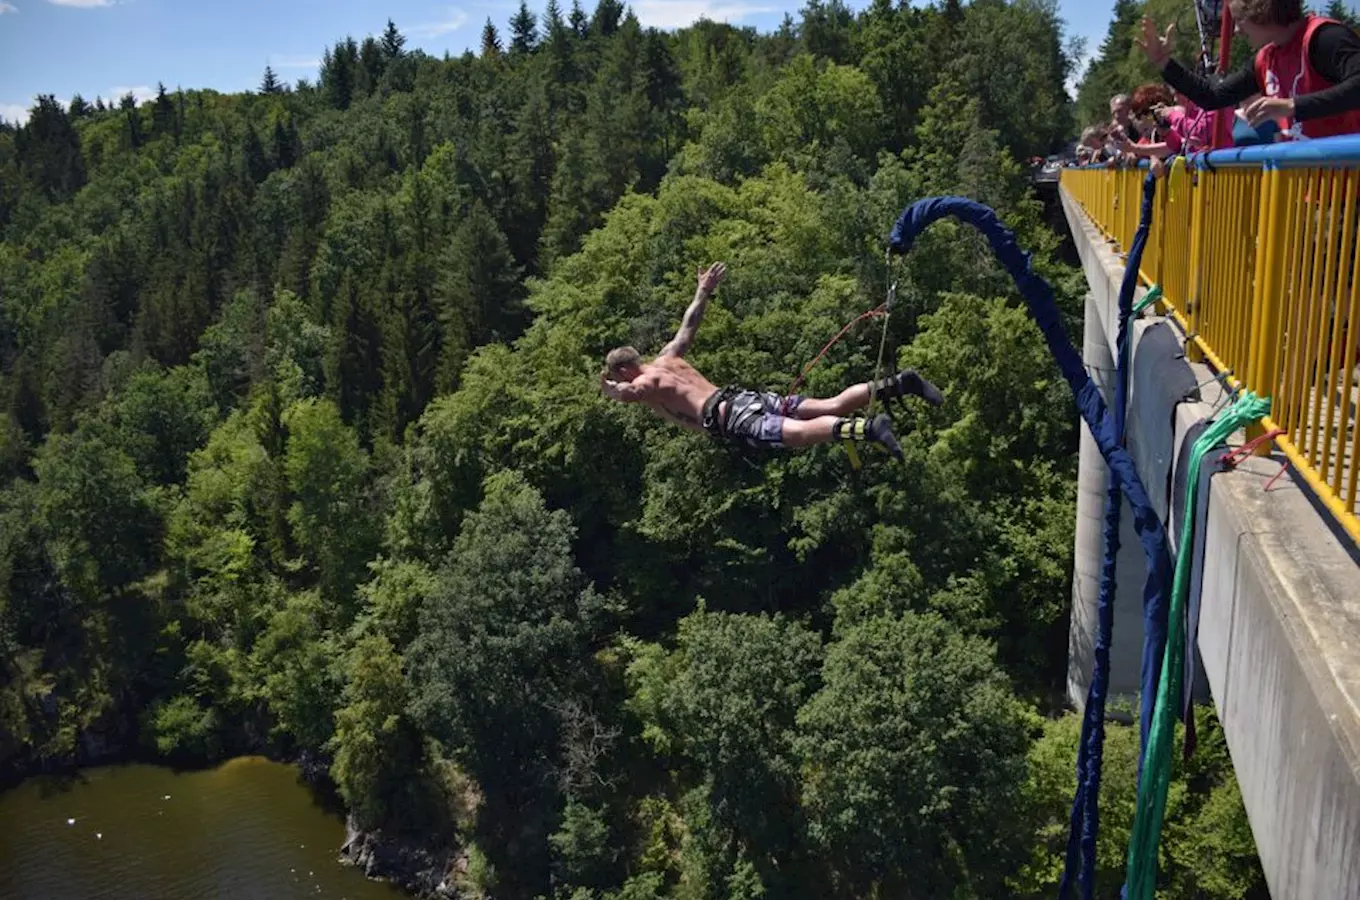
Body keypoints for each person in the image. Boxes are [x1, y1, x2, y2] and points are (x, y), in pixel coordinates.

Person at [599, 262, 944, 460]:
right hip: (746, 398)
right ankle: (899, 383)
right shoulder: (668, 356)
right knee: (832, 404)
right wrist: (702, 291)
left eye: (622, 376)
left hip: (731, 415)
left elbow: (632, 394)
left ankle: (869, 429)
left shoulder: (646, 382)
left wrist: (613, 391)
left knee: (800, 435)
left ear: (626, 369)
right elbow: (688, 326)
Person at [1136, 1, 1360, 140]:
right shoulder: (1265, 59)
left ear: (1261, 9)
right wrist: (1164, 63)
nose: (1236, 29)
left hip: (1349, 190)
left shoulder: (1324, 37)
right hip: (1309, 189)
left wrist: (1292, 106)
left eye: (1239, 19)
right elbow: (1213, 96)